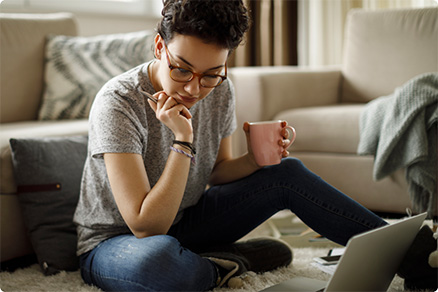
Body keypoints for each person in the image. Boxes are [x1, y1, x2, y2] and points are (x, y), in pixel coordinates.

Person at [73, 0, 437, 291]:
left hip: (186, 220)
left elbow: (217, 173)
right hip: (115, 242)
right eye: (181, 69)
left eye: (211, 74)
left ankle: (416, 254)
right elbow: (145, 225)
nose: (193, 88)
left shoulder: (222, 90)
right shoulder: (118, 102)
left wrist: (258, 159)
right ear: (159, 47)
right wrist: (183, 140)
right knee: (161, 265)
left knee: (285, 172)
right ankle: (226, 263)